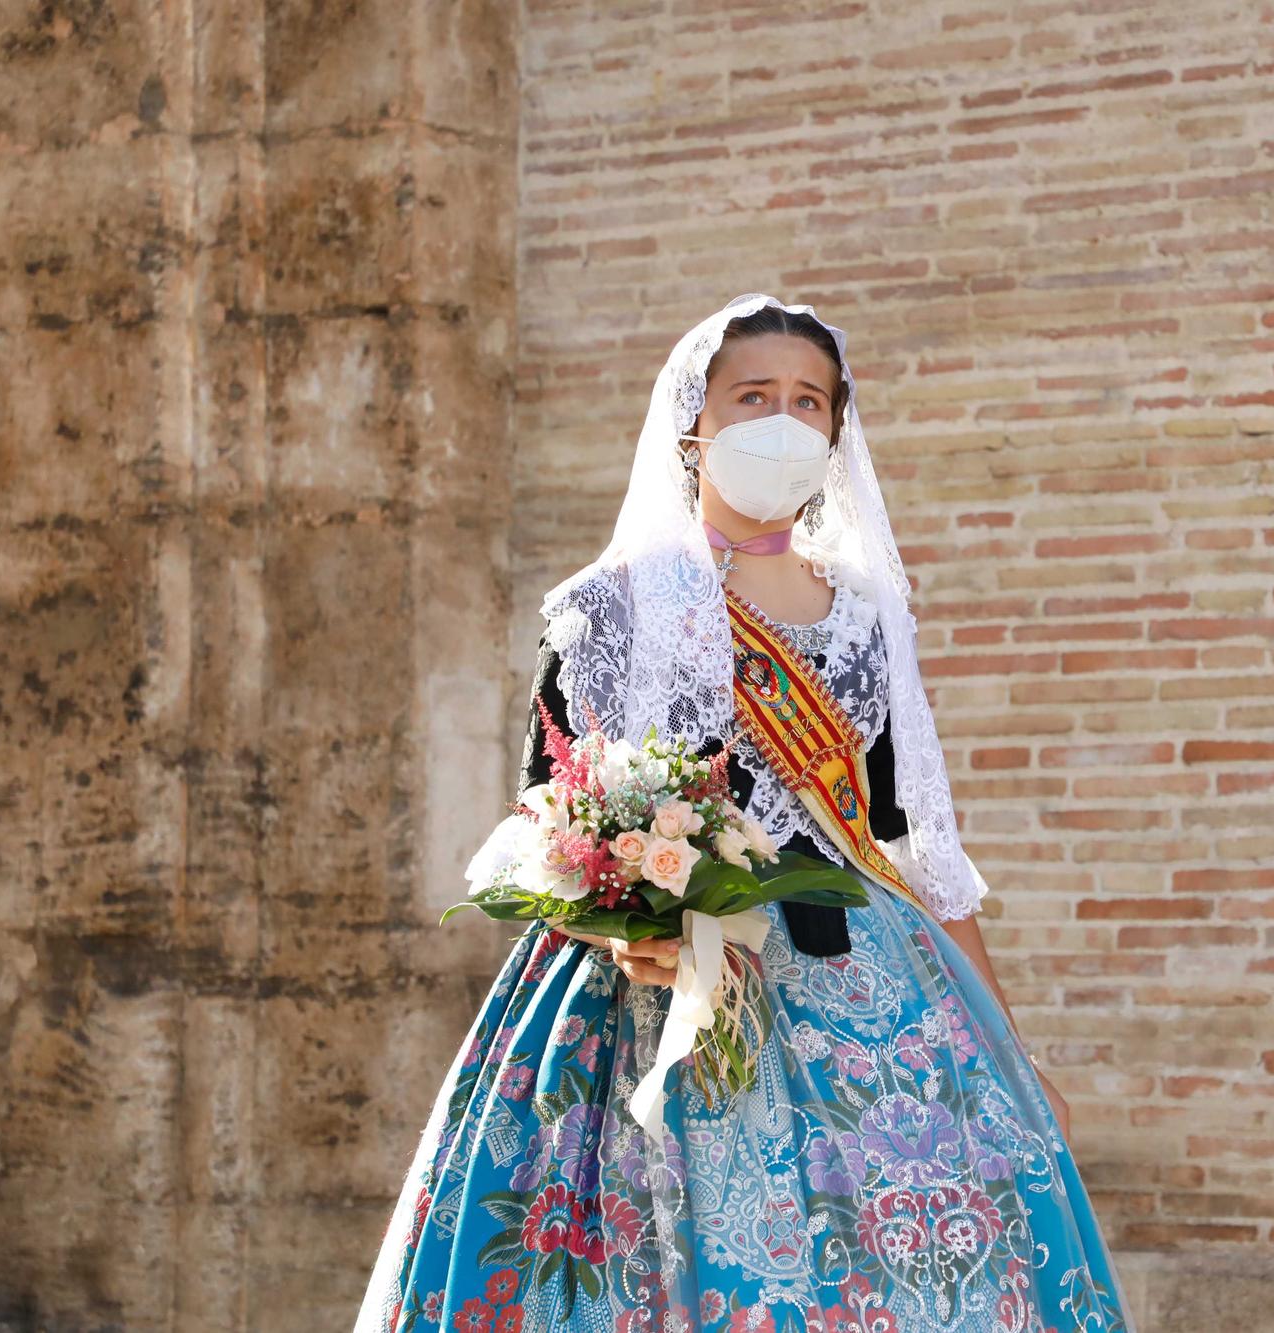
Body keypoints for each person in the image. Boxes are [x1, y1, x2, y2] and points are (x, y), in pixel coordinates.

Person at [356, 294, 1138, 1332]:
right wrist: (620, 923)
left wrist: (1007, 1049)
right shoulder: (609, 606)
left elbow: (918, 840)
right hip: (633, 1004)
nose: (781, 419)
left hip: (863, 983)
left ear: (834, 427)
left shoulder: (867, 614)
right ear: (694, 419)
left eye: (806, 400)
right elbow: (547, 821)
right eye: (752, 396)